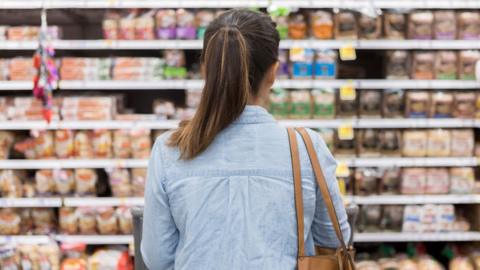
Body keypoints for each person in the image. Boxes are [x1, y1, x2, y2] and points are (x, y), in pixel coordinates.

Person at [141, 9, 350, 270]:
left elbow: (157, 257)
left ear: (207, 70)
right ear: (273, 72)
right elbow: (333, 238)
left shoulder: (170, 149)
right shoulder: (306, 146)